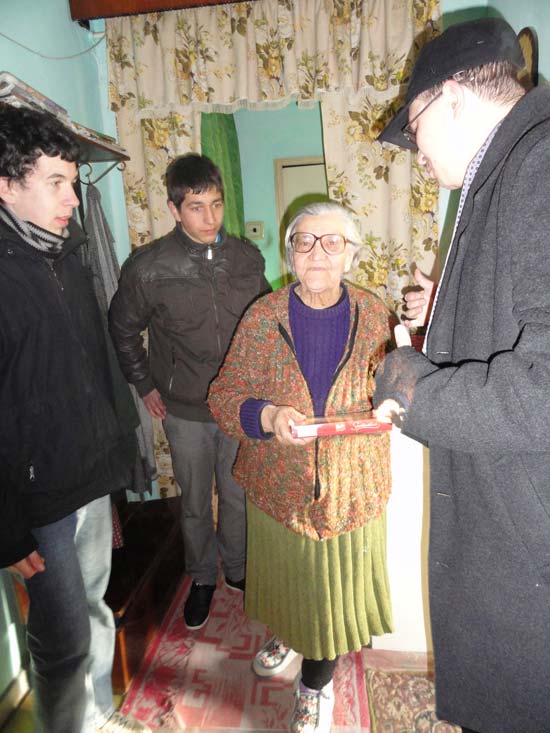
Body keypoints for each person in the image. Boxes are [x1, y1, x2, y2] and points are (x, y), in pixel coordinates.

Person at [375, 17, 550, 733]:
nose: (414, 150)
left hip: (530, 550)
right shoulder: (508, 169)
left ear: (451, 97)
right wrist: (442, 312)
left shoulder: (539, 163)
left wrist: (413, 388)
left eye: (413, 127)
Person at [208, 201, 393, 733]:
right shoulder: (263, 317)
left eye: (332, 242)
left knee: (331, 601)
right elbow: (224, 396)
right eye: (305, 241)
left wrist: (396, 397)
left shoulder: (374, 312)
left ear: (351, 255)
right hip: (279, 486)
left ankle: (315, 686)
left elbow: (397, 379)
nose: (318, 253)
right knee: (290, 586)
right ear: (290, 253)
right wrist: (266, 416)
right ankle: (289, 633)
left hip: (350, 486)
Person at [0, 104, 150, 733]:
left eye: (73, 180)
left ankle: (98, 717)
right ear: (6, 185)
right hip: (40, 499)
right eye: (55, 182)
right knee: (60, 640)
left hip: (90, 476)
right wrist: (7, 531)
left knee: (93, 608)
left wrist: (119, 456)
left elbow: (95, 370)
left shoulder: (66, 255)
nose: (71, 197)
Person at [109, 153, 270, 630]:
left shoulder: (246, 258)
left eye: (216, 204)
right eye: (196, 207)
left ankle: (237, 569)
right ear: (174, 209)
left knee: (238, 495)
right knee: (196, 501)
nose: (209, 217)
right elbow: (122, 329)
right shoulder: (148, 268)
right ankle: (202, 577)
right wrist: (143, 383)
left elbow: (265, 320)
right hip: (185, 411)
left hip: (238, 406)